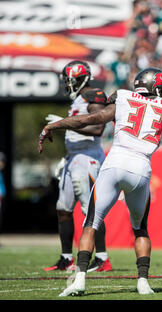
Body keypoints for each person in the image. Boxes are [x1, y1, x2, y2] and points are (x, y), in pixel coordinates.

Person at [38, 67, 162, 296]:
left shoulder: (123, 97)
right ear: (157, 87)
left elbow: (92, 119)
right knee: (140, 230)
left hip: (114, 164)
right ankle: (143, 282)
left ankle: (79, 280)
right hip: (140, 168)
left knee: (90, 223)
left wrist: (53, 125)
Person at [43, 60, 112, 273]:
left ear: (81, 78)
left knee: (90, 211)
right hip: (73, 157)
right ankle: (66, 258)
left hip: (88, 158)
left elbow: (98, 127)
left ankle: (102, 258)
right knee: (63, 209)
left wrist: (63, 123)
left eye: (69, 80)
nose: (67, 84)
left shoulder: (94, 95)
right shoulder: (79, 100)